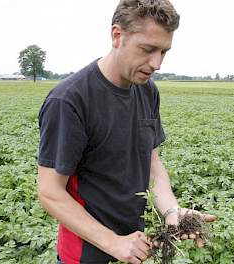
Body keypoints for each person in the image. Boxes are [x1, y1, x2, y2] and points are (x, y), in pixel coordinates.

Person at [37, 0, 216, 263]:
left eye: (164, 52)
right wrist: (113, 243)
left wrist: (172, 210)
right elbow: (50, 192)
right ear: (117, 36)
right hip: (86, 253)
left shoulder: (147, 90)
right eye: (147, 49)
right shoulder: (69, 101)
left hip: (137, 245)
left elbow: (152, 163)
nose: (156, 64)